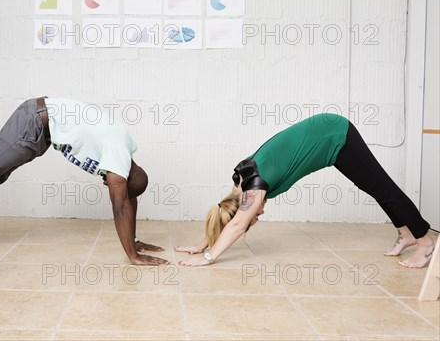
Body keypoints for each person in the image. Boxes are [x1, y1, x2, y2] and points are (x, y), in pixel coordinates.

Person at [0, 97, 168, 266]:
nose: (106, 183)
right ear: (127, 175)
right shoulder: (117, 154)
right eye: (112, 183)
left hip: (41, 134)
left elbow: (128, 200)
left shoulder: (125, 161)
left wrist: (134, 239)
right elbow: (119, 206)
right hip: (32, 121)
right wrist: (133, 256)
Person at [176, 113, 435, 269]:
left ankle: (424, 240)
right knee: (374, 187)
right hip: (325, 134)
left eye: (255, 215)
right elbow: (228, 215)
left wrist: (208, 257)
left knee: (381, 187)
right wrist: (203, 243)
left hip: (335, 134)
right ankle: (406, 233)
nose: (259, 214)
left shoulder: (253, 188)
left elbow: (237, 224)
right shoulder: (239, 181)